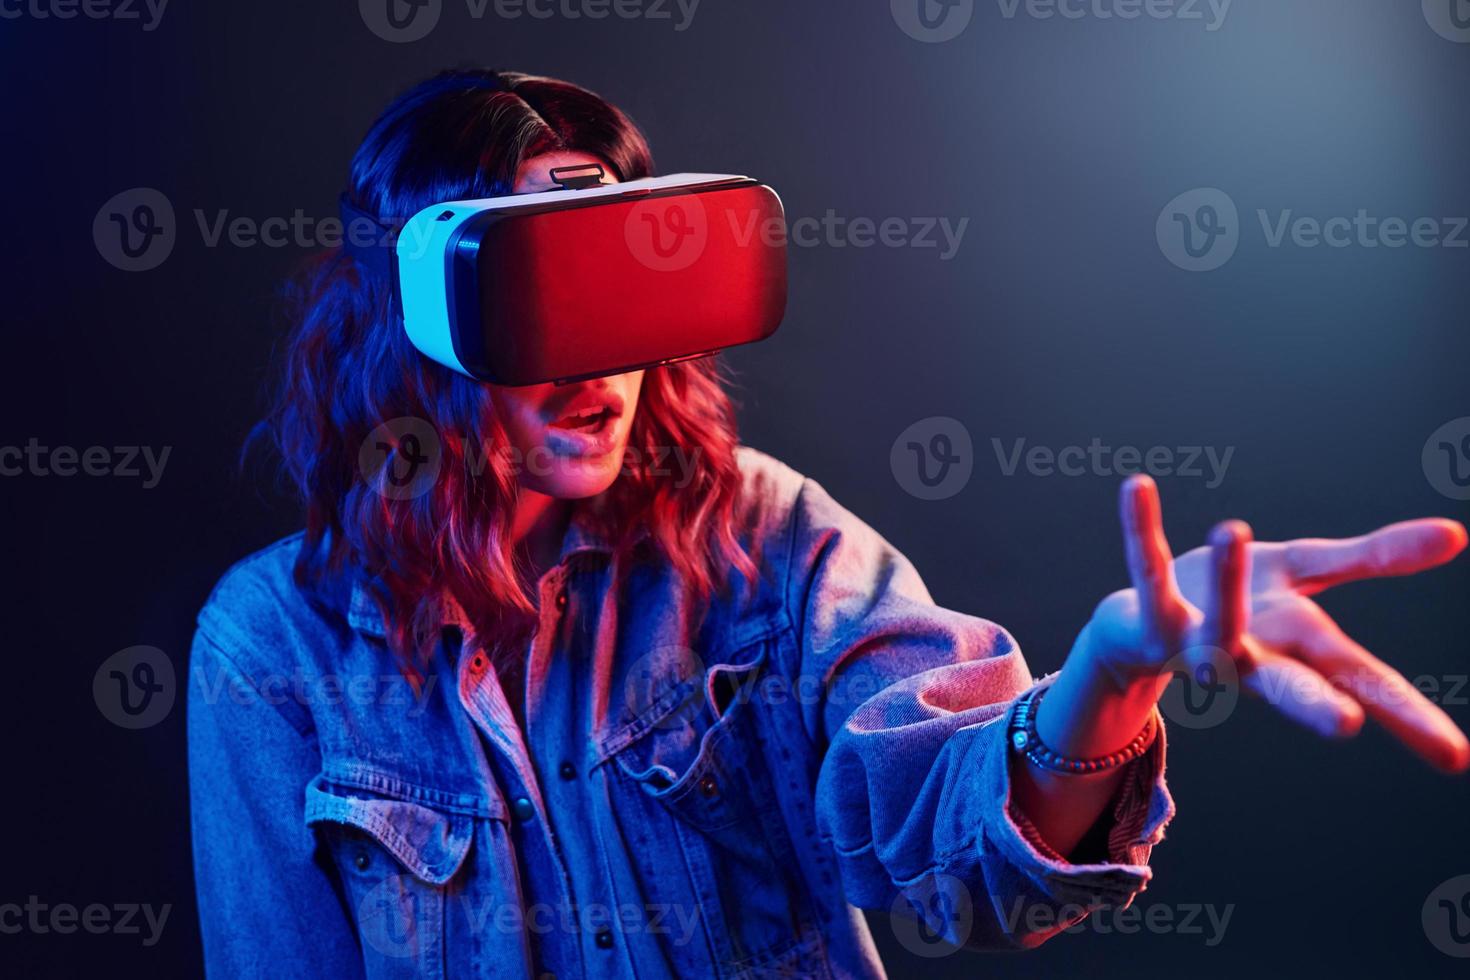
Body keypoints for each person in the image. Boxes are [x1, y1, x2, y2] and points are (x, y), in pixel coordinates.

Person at [187, 68, 1470, 979]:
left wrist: (1110, 674)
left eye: (621, 280)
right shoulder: (272, 643)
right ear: (411, 320)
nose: (598, 369)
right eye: (538, 292)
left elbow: (962, 855)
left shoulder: (768, 539)